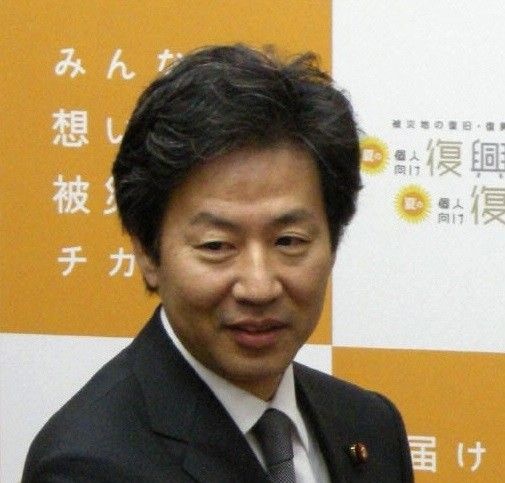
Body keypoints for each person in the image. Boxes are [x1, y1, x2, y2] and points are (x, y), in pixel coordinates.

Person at [22, 44, 413, 482]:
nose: (259, 287)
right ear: (147, 252)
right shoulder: (88, 465)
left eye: (288, 241)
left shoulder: (369, 425)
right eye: (217, 245)